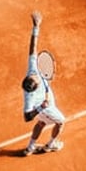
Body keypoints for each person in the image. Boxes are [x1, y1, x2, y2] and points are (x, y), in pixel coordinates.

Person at [21, 11, 65, 156]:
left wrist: (36, 27)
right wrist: (41, 107)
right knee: (61, 122)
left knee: (41, 123)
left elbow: (32, 48)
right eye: (36, 79)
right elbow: (27, 117)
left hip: (42, 109)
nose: (36, 75)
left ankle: (30, 148)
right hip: (45, 109)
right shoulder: (30, 97)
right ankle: (50, 145)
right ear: (35, 87)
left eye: (34, 75)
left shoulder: (31, 70)